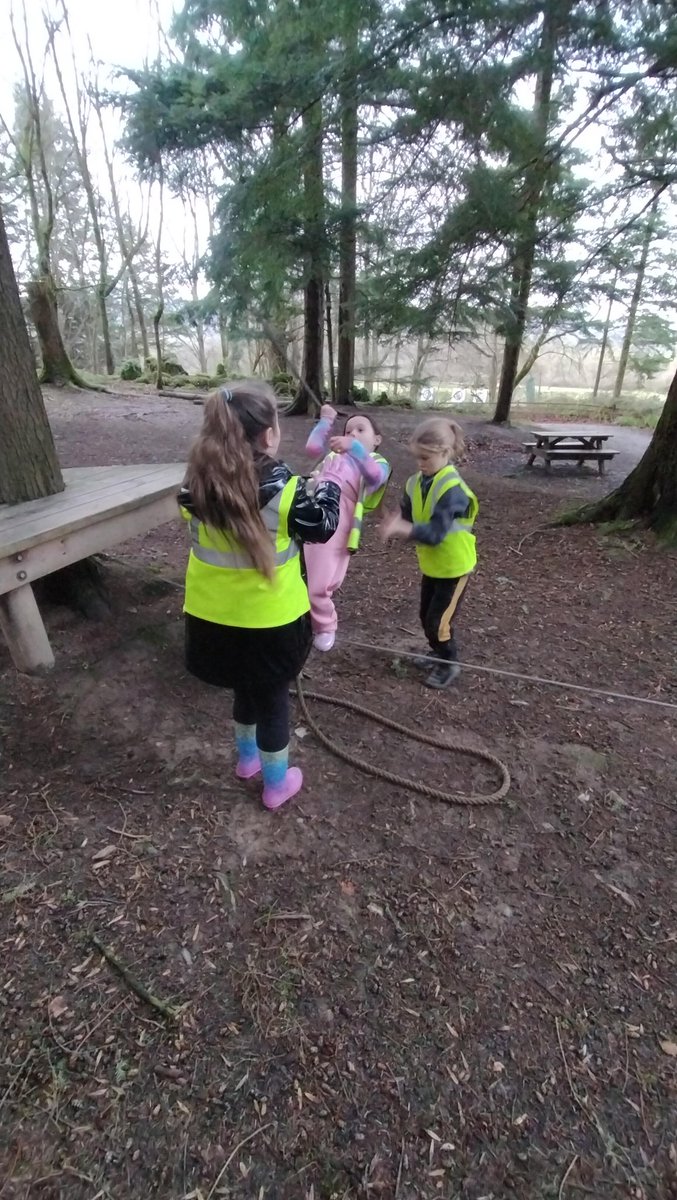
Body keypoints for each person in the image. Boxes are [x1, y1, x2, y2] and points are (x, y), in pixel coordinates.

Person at [179, 383, 341, 810]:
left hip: (211, 621)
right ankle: (275, 784)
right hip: (271, 625)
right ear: (268, 435)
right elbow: (322, 524)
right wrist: (327, 486)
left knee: (243, 690)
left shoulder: (192, 488)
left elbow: (237, 501)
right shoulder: (286, 492)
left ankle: (247, 761)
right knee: (271, 700)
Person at [381, 416, 478, 689]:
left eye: (426, 458)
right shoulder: (415, 483)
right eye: (417, 458)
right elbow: (409, 516)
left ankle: (449, 662)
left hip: (455, 567)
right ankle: (437, 652)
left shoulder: (453, 490)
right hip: (433, 566)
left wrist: (403, 528)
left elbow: (435, 534)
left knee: (438, 621)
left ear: (445, 453)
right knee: (426, 617)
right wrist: (395, 522)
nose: (420, 464)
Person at [304, 405, 391, 651]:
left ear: (377, 440)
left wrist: (353, 449)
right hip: (310, 507)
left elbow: (375, 477)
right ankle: (303, 617)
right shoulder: (333, 457)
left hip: (338, 517)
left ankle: (325, 624)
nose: (352, 433)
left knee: (321, 579)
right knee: (299, 569)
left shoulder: (377, 461)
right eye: (348, 430)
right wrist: (325, 421)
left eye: (360, 429)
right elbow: (311, 448)